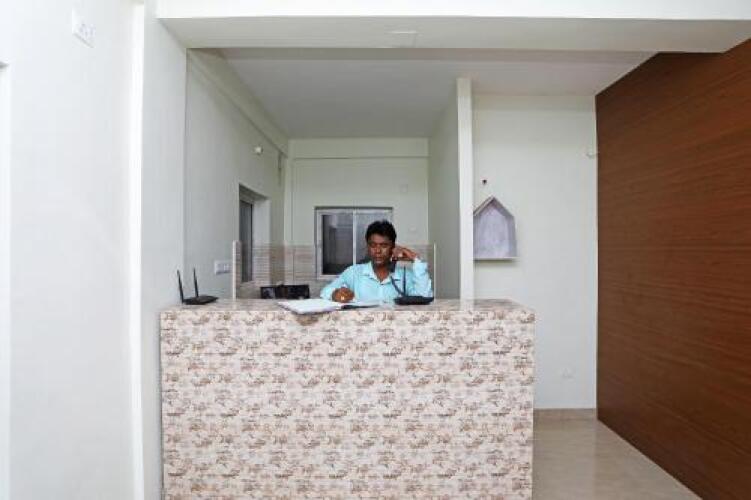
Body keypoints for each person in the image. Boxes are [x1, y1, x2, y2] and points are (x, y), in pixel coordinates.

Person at [320, 220, 433, 303]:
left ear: (393, 247)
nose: (378, 251)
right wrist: (335, 294)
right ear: (368, 247)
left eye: (384, 245)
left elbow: (424, 297)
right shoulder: (354, 272)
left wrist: (415, 259)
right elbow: (325, 291)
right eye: (373, 245)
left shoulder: (405, 275)